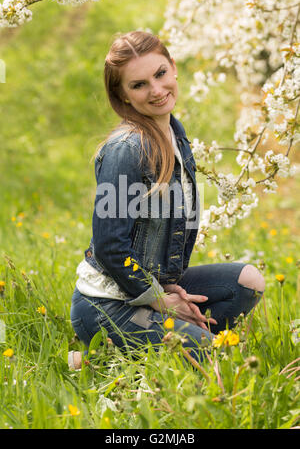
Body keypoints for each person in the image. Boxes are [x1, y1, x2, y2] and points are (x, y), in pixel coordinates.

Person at [69, 31, 265, 370]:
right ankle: (102, 359)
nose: (157, 90)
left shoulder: (175, 135)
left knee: (248, 283)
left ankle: (132, 356)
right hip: (107, 304)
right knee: (206, 353)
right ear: (123, 95)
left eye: (160, 74)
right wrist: (160, 300)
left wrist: (171, 288)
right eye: (139, 84)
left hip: (151, 288)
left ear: (173, 68)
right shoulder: (126, 151)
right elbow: (109, 247)